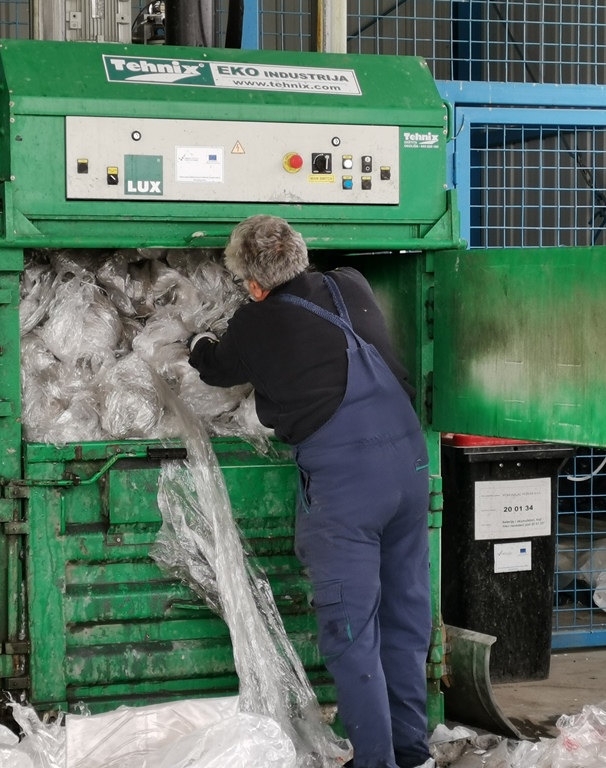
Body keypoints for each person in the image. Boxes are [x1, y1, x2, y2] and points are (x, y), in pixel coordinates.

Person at [188, 214, 434, 768]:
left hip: (349, 488)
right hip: (411, 468)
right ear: (302, 255)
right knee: (406, 612)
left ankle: (376, 762)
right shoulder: (351, 282)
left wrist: (199, 340)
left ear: (252, 284)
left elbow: (214, 368)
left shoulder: (254, 324)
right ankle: (414, 755)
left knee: (351, 630)